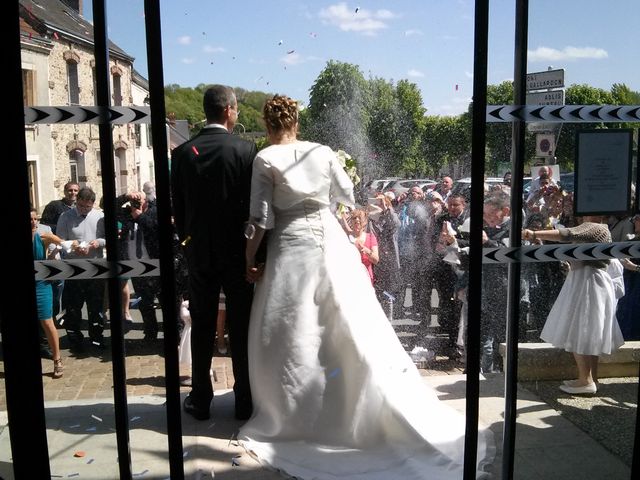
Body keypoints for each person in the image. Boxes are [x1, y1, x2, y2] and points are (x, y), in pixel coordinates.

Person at [239, 94, 493, 479]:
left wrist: (248, 259)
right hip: (329, 244)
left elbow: (260, 218)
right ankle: (355, 399)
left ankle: (299, 411)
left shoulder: (265, 158)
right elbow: (347, 197)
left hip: (290, 246)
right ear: (296, 120)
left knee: (290, 328)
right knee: (349, 322)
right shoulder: (322, 152)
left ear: (268, 122)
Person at [171, 84, 257, 421]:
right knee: (241, 325)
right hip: (237, 252)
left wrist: (188, 243)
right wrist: (255, 256)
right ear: (229, 110)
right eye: (236, 109)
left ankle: (201, 398)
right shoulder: (245, 150)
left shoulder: (181, 154)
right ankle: (244, 400)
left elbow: (178, 208)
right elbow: (254, 209)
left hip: (200, 252)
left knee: (203, 324)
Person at [523, 218, 625, 394]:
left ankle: (586, 381)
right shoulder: (599, 229)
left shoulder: (595, 228)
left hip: (588, 281)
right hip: (589, 280)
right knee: (590, 332)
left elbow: (567, 234)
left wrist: (533, 233)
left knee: (580, 330)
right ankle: (591, 378)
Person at [31, 207, 66, 378]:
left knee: (47, 321)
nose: (33, 222)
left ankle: (57, 359)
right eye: (30, 219)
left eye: (34, 219)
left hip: (41, 284)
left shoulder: (42, 237)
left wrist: (53, 241)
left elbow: (63, 244)